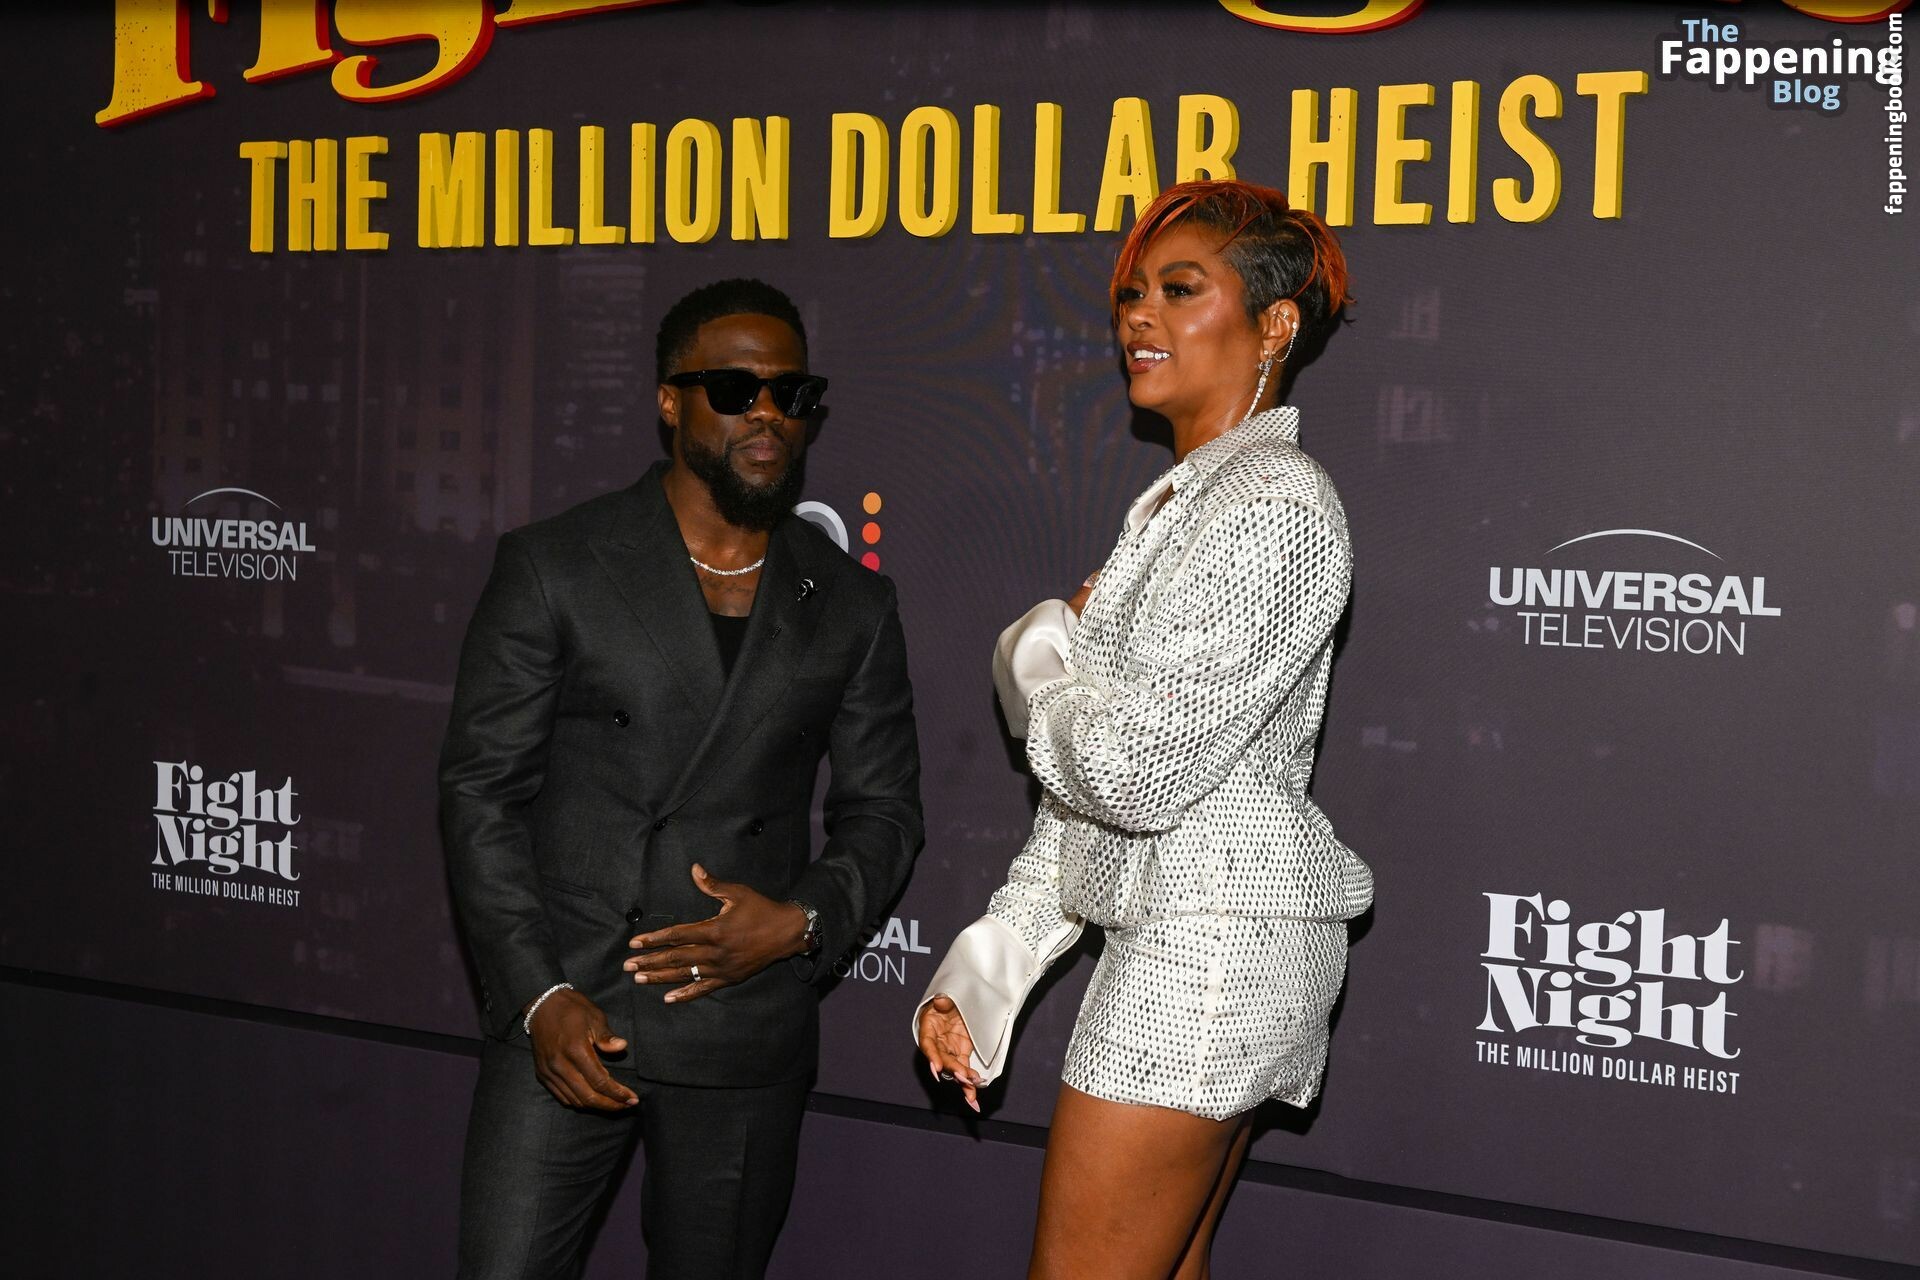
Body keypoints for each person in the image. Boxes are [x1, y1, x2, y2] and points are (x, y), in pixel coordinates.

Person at [915, 180, 1372, 1280]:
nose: (1138, 316)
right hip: (1209, 936)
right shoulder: (1189, 504)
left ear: (1274, 324)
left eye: (1180, 289)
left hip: (1209, 954)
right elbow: (1100, 798)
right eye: (1131, 294)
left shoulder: (1272, 503)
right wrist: (991, 964)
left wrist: (1035, 657)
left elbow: (1128, 771)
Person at [441, 277, 924, 1279]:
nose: (768, 415)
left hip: (741, 1026)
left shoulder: (850, 601)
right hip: (572, 1011)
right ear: (670, 400)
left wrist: (800, 921)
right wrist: (537, 996)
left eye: (792, 394)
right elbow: (482, 794)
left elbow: (884, 811)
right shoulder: (558, 564)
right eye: (736, 390)